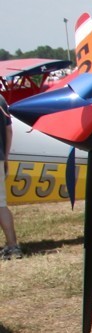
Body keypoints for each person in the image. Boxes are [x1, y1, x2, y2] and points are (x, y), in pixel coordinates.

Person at [1, 96, 22, 259]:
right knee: (1, 205)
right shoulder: (1, 99)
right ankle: (13, 245)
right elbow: (9, 130)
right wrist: (6, 157)